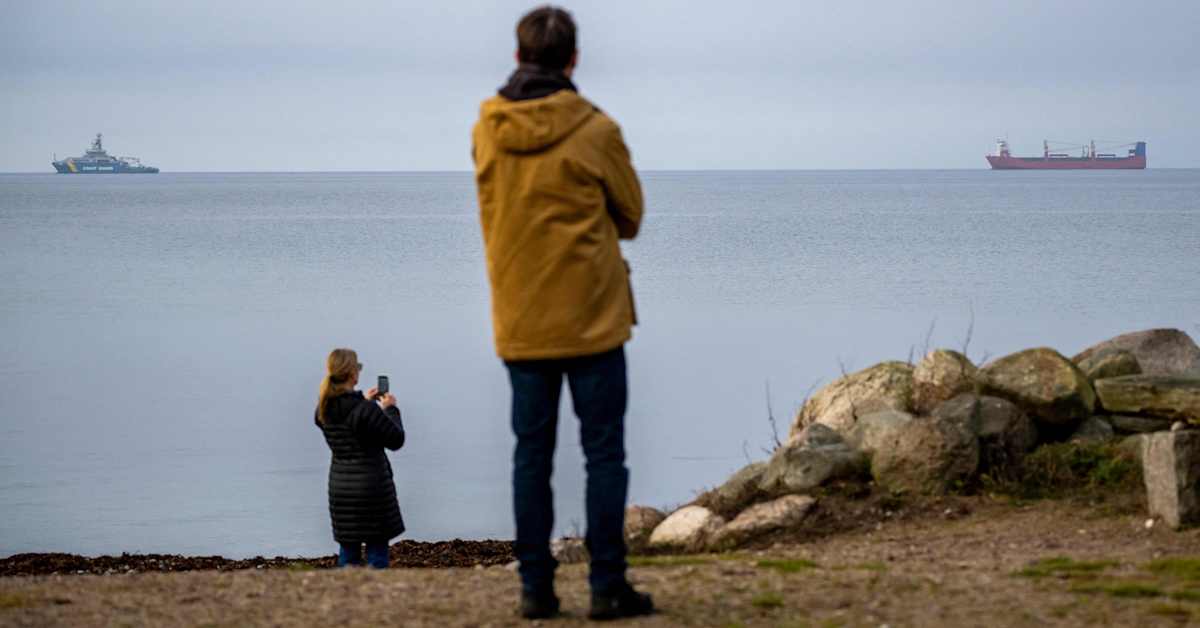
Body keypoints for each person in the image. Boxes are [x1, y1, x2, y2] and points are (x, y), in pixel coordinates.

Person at [471, 5, 651, 620]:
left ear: (519, 57)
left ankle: (535, 590)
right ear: (573, 59)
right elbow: (630, 217)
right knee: (604, 454)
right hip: (594, 315)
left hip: (522, 317)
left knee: (531, 456)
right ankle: (606, 586)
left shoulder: (488, 128)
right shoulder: (597, 129)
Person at [314, 348, 406, 569]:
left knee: (348, 552)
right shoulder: (365, 410)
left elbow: (347, 420)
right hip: (371, 490)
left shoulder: (324, 409)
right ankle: (375, 600)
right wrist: (390, 409)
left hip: (340, 490)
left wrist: (362, 399)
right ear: (353, 374)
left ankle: (346, 598)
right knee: (376, 553)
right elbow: (396, 439)